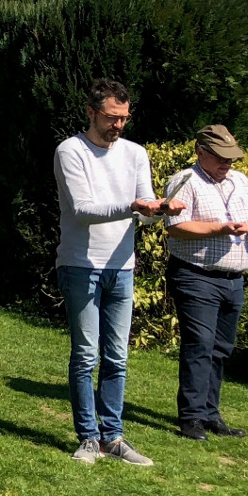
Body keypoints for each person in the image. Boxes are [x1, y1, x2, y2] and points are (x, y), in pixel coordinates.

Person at [53, 78, 178, 467]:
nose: (118, 125)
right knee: (85, 354)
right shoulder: (70, 151)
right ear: (91, 113)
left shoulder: (135, 154)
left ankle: (114, 436)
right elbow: (83, 210)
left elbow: (141, 209)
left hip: (122, 266)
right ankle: (88, 437)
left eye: (124, 118)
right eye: (111, 117)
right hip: (80, 264)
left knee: (117, 357)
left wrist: (158, 211)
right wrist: (136, 206)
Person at [162, 124, 248, 441]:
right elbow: (175, 227)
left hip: (234, 279)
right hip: (197, 276)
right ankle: (191, 418)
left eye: (231, 158)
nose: (227, 164)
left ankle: (211, 414)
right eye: (221, 158)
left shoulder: (240, 181)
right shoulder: (185, 181)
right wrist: (220, 230)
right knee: (200, 345)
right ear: (200, 152)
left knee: (221, 348)